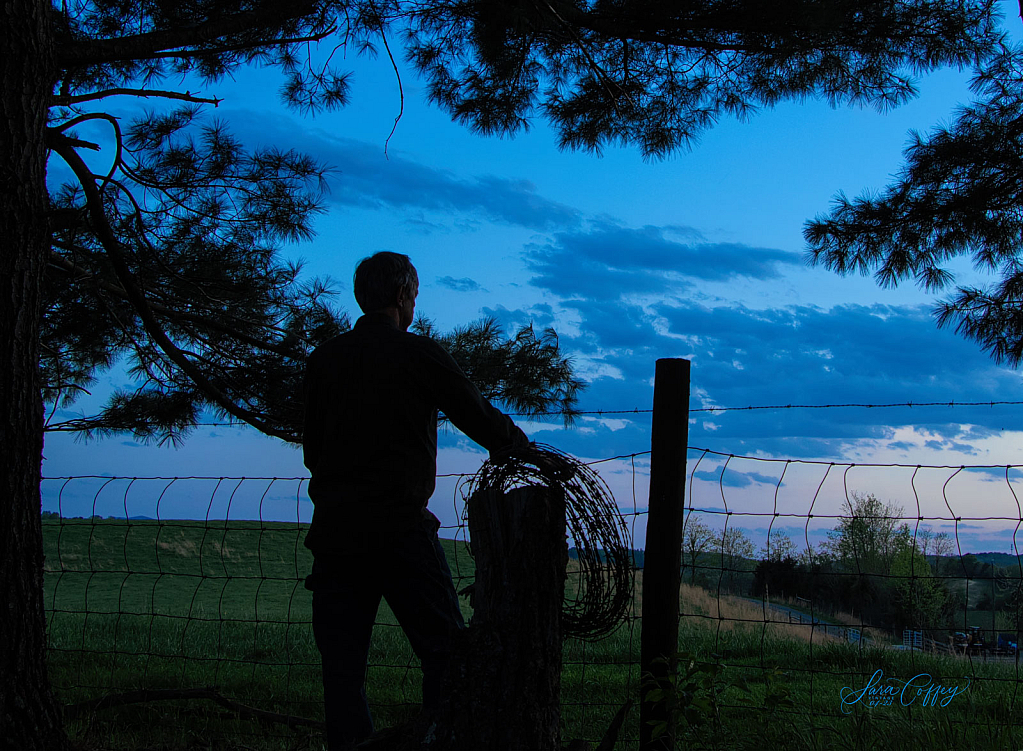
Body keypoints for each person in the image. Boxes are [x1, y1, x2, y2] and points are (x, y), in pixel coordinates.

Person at [302, 251, 528, 748]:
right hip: (400, 531)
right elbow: (476, 415)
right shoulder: (419, 354)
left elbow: (312, 452)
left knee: (342, 671)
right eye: (415, 294)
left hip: (335, 533)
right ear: (404, 296)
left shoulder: (323, 360)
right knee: (445, 652)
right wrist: (519, 446)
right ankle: (438, 738)